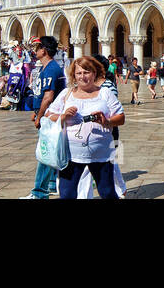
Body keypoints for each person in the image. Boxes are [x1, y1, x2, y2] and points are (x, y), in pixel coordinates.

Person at [46, 55, 124, 199]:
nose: (83, 76)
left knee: (107, 193)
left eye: (87, 72)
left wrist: (106, 121)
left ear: (94, 73)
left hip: (101, 154)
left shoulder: (105, 93)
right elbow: (49, 115)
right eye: (79, 73)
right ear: (74, 76)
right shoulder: (66, 94)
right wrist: (63, 116)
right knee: (67, 193)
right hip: (71, 154)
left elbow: (121, 118)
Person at [24, 36, 68, 199]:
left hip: (49, 116)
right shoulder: (47, 68)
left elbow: (48, 97)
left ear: (44, 50)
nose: (35, 51)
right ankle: (50, 184)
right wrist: (36, 112)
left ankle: (39, 192)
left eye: (37, 48)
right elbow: (42, 94)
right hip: (45, 113)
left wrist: (39, 116)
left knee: (45, 152)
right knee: (50, 151)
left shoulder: (50, 69)